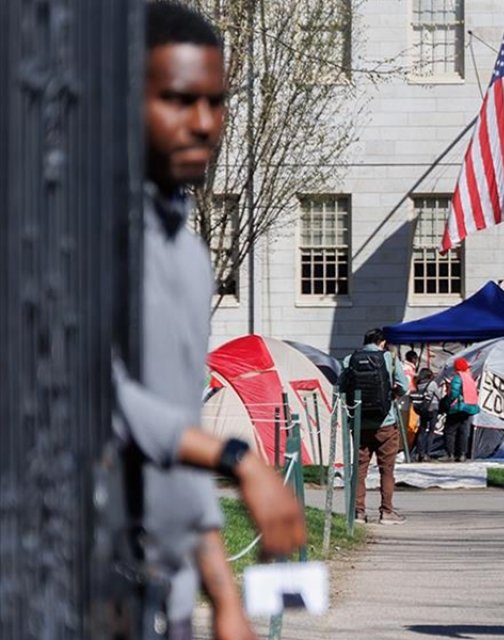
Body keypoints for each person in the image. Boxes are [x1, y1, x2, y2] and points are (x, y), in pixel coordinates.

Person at [112, 4, 305, 637]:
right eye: (177, 99)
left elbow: (178, 434)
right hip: (83, 577)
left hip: (167, 596)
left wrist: (222, 594)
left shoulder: (191, 258)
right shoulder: (87, 236)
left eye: (215, 102)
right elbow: (94, 396)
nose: (202, 122)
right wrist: (238, 458)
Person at [340, 328, 410, 524]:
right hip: (385, 422)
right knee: (386, 469)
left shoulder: (350, 359)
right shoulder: (390, 359)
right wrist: (393, 394)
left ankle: (358, 512)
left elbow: (340, 387)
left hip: (360, 422)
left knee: (359, 468)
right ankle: (386, 512)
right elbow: (404, 386)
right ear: (382, 342)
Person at [444, 358, 481, 462]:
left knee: (450, 431)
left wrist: (448, 403)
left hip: (459, 407)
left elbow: (454, 393)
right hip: (469, 408)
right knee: (463, 432)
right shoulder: (470, 378)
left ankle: (450, 454)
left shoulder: (458, 378)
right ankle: (462, 454)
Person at [411, 367, 443, 461]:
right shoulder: (432, 384)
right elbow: (439, 396)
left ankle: (419, 453)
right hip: (433, 408)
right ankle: (427, 453)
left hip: (422, 409)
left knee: (422, 430)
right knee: (431, 431)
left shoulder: (418, 383)